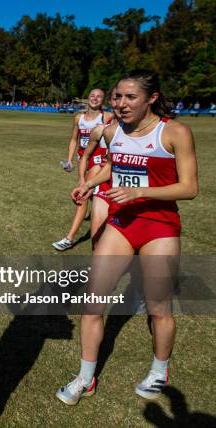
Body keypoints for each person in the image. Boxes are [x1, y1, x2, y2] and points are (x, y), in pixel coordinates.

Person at [56, 70, 198, 405]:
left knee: (159, 307)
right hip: (121, 224)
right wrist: (89, 183)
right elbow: (114, 164)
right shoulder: (113, 130)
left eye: (130, 97)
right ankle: (85, 378)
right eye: (117, 97)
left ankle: (159, 371)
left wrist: (139, 192)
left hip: (159, 226)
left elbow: (190, 187)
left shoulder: (174, 132)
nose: (121, 104)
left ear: (151, 98)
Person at [53, 89, 113, 251]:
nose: (95, 98)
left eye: (99, 96)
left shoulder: (107, 117)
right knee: (93, 193)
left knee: (82, 195)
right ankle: (99, 216)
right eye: (92, 96)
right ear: (87, 99)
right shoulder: (79, 118)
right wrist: (69, 159)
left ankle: (69, 238)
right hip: (83, 159)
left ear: (103, 100)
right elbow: (74, 139)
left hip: (98, 161)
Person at [76, 88, 118, 245]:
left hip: (128, 191)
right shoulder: (100, 129)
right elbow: (87, 156)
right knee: (98, 240)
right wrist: (85, 184)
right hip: (102, 183)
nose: (120, 103)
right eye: (116, 98)